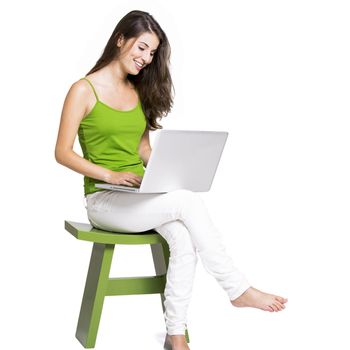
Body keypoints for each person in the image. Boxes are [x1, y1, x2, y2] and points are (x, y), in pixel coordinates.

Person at [55, 10, 288, 350]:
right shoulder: (83, 89)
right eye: (142, 48)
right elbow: (62, 152)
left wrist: (169, 170)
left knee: (181, 235)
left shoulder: (138, 91)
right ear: (121, 39)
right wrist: (111, 175)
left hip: (137, 196)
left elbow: (143, 148)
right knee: (187, 203)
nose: (146, 59)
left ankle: (175, 335)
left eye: (152, 53)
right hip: (104, 201)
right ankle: (237, 289)